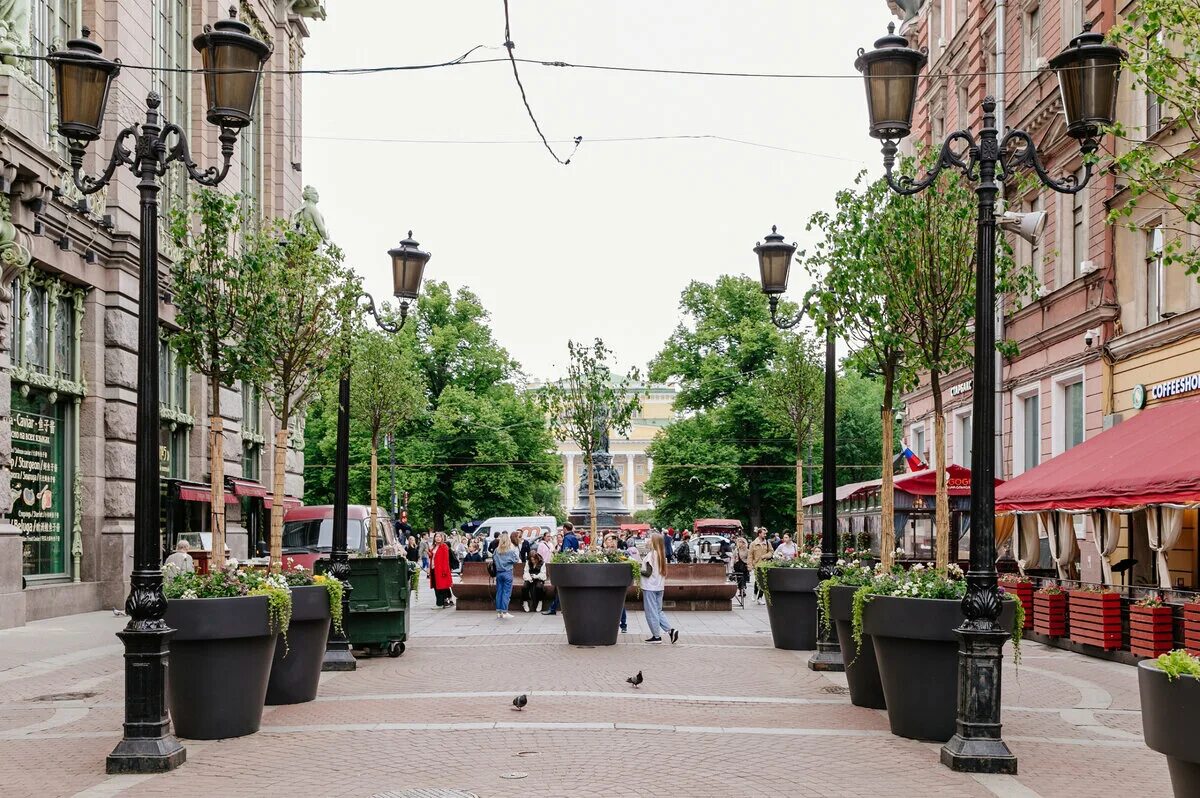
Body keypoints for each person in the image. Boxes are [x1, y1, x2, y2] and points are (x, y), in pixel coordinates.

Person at [640, 532, 679, 644]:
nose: (647, 541)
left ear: (654, 542)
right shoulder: (661, 554)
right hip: (659, 587)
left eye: (649, 539)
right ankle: (671, 630)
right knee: (658, 611)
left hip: (649, 587)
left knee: (651, 612)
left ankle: (656, 636)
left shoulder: (651, 555)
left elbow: (647, 573)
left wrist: (637, 569)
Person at [492, 531, 520, 619]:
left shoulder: (497, 550)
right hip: (507, 572)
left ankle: (499, 611)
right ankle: (504, 611)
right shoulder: (510, 551)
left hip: (499, 573)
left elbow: (493, 558)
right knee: (506, 593)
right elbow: (516, 560)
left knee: (499, 592)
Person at [429, 532, 454, 608]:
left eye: (439, 536)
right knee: (436, 586)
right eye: (436, 536)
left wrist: (444, 571)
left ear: (442, 538)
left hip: (441, 570)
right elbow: (434, 557)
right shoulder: (434, 546)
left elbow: (445, 560)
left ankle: (440, 603)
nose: (438, 538)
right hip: (434, 569)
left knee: (440, 587)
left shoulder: (444, 546)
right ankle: (441, 602)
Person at [749, 527, 773, 605]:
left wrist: (766, 556)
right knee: (757, 580)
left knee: (764, 581)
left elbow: (771, 552)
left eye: (765, 533)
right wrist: (750, 565)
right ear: (759, 534)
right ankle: (755, 593)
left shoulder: (767, 543)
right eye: (764, 533)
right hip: (757, 564)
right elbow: (750, 555)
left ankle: (760, 597)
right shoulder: (753, 543)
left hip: (765, 564)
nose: (765, 535)